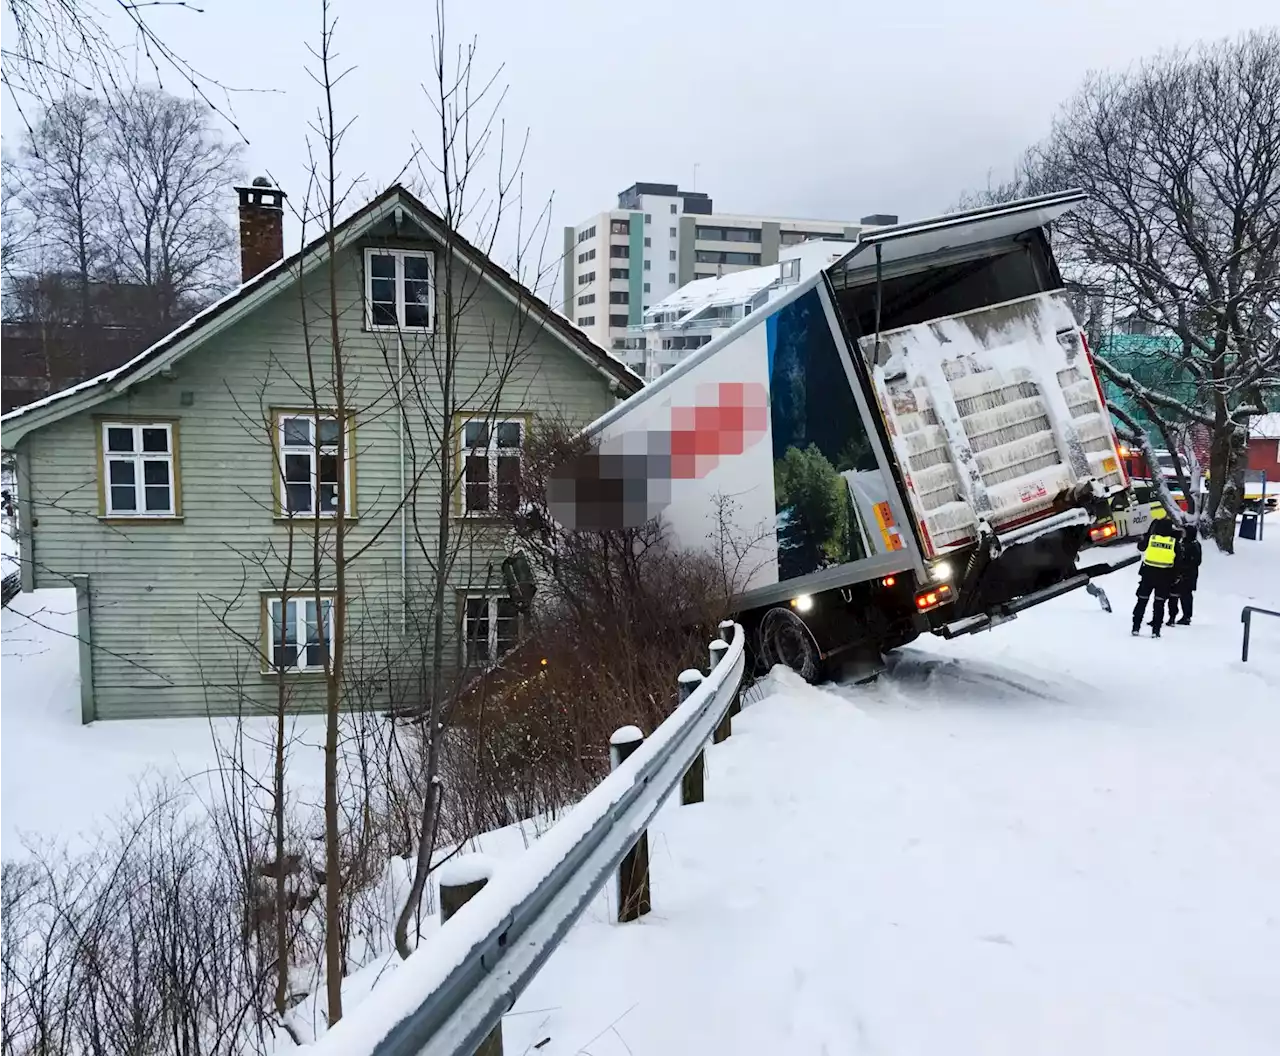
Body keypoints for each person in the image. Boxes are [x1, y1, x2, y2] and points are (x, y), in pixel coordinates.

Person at [1132, 505, 1181, 638]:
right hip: (1164, 577)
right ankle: (1156, 631)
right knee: (1159, 604)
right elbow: (1178, 562)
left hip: (1147, 575)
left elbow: (1141, 547)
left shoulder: (1152, 539)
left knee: (1141, 601)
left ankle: (1136, 627)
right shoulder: (1173, 542)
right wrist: (1176, 577)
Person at [1167, 523, 1202, 626]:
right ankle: (1177, 616)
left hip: (1188, 575)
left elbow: (1196, 561)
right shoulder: (1183, 543)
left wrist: (1183, 568)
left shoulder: (1193, 545)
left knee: (1186, 595)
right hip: (1182, 573)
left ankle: (1187, 616)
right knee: (1177, 595)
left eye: (1184, 532)